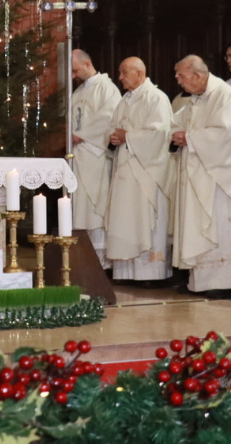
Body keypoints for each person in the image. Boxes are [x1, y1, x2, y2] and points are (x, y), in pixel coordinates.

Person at [171, 55, 231, 296]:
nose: (178, 81)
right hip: (200, 174)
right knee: (198, 226)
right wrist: (175, 134)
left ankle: (222, 283)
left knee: (218, 226)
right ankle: (199, 282)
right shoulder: (197, 99)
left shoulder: (225, 96)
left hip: (221, 178)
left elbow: (227, 135)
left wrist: (190, 139)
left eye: (181, 76)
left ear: (197, 75)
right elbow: (177, 123)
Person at [104, 57, 175, 283]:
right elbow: (111, 128)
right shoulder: (124, 100)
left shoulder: (156, 98)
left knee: (145, 219)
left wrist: (129, 137)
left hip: (147, 172)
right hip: (125, 171)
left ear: (139, 73)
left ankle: (150, 274)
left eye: (124, 72)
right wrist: (113, 138)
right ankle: (126, 271)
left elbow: (160, 134)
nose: (120, 78)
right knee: (125, 219)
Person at [69, 49, 121, 267]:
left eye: (75, 70)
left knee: (95, 208)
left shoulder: (107, 88)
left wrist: (81, 136)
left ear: (88, 63)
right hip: (77, 157)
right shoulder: (78, 92)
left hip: (95, 157)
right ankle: (83, 259)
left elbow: (110, 118)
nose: (73, 76)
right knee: (79, 208)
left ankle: (101, 263)